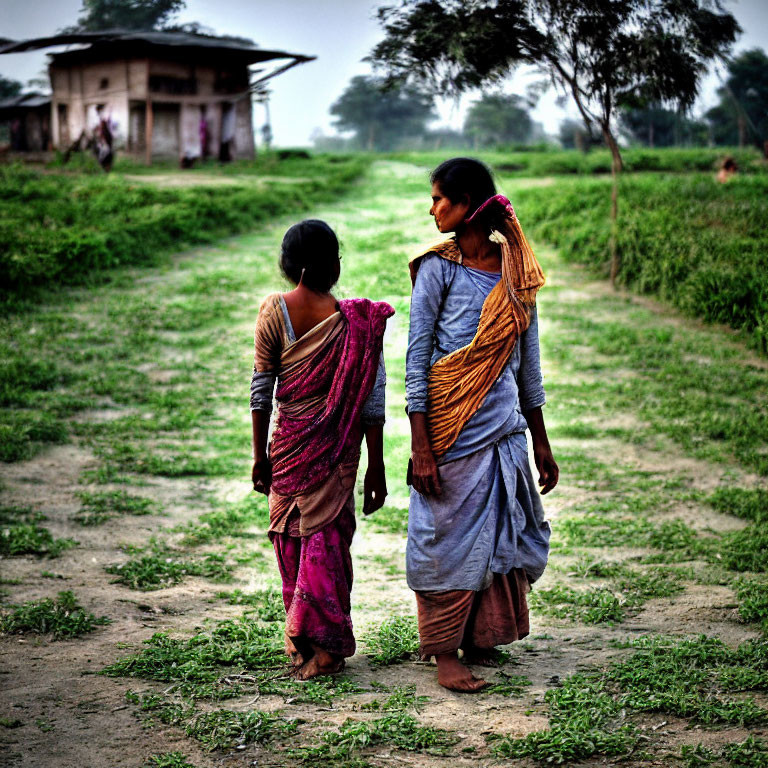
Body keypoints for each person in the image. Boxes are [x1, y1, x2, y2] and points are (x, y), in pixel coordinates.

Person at [405, 157, 558, 692]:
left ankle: (480, 636)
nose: (433, 209)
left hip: (502, 430)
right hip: (448, 433)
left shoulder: (517, 275)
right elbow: (417, 358)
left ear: (468, 205)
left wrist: (540, 442)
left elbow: (527, 367)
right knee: (441, 537)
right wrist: (420, 446)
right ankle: (444, 652)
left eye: (441, 200)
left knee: (496, 536)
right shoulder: (436, 269)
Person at [250, 219, 394, 679]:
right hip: (334, 451)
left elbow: (261, 391)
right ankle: (313, 641)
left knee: (296, 541)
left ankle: (321, 646)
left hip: (289, 445)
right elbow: (374, 399)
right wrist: (376, 466)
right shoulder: (358, 323)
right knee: (324, 544)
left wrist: (260, 454)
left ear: (288, 265)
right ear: (333, 264)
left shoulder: (279, 312)